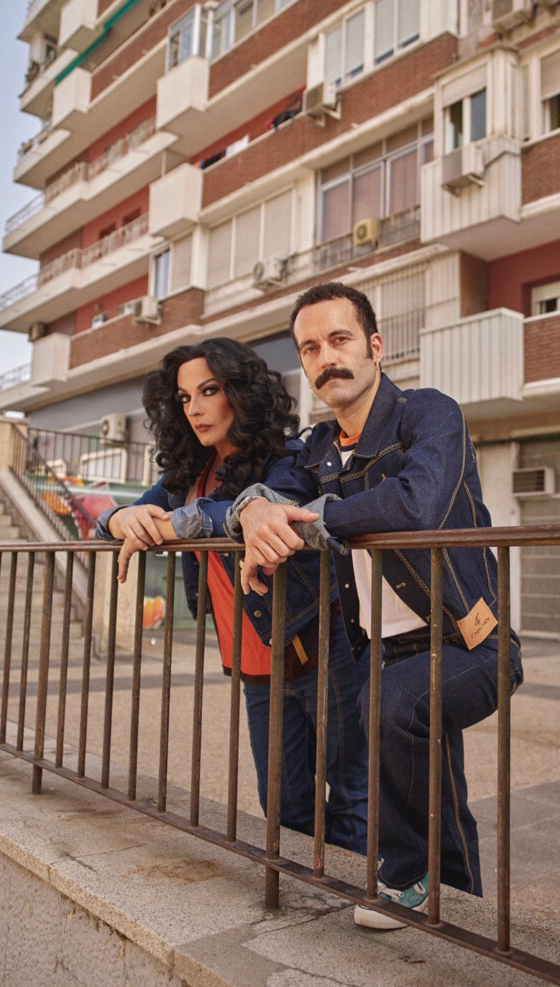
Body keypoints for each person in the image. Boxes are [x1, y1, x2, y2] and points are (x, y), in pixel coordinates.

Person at [228, 283, 524, 930]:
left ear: (375, 346)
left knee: (388, 707)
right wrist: (254, 510)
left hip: (471, 640)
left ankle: (403, 876)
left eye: (339, 339)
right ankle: (456, 904)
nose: (325, 358)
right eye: (310, 347)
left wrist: (318, 516)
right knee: (439, 792)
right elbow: (270, 494)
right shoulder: (314, 449)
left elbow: (417, 502)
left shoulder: (430, 414)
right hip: (384, 648)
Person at [95, 337, 368, 853]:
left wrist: (178, 523)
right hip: (252, 660)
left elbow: (269, 507)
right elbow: (110, 524)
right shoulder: (185, 475)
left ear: (239, 392)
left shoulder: (287, 457)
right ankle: (311, 890)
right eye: (183, 398)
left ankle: (352, 900)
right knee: (285, 805)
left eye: (209, 390)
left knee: (354, 791)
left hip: (318, 644)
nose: (194, 408)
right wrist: (119, 516)